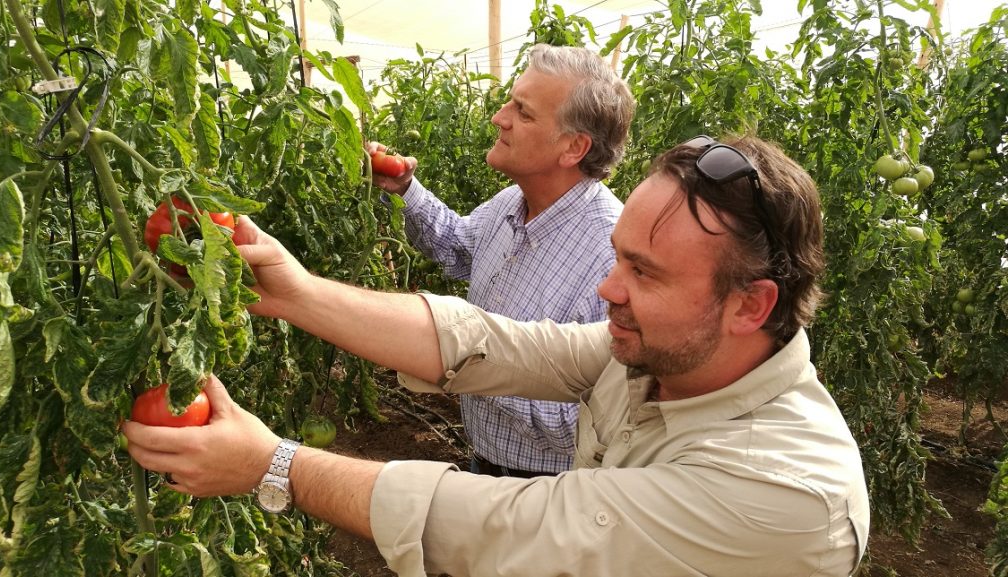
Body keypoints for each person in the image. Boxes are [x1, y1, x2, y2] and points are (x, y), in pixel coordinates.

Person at [124, 135, 870, 577]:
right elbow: (491, 342)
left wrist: (271, 463)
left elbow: (510, 525)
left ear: (752, 304)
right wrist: (295, 292)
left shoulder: (786, 495)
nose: (608, 287)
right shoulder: (661, 358)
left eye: (645, 273)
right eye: (619, 258)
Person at [369, 43, 635, 478]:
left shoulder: (610, 252)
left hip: (548, 490)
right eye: (510, 101)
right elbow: (458, 247)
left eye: (523, 112)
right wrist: (405, 190)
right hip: (487, 462)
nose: (499, 117)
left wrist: (454, 363)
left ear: (573, 147)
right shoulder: (514, 202)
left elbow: (582, 422)